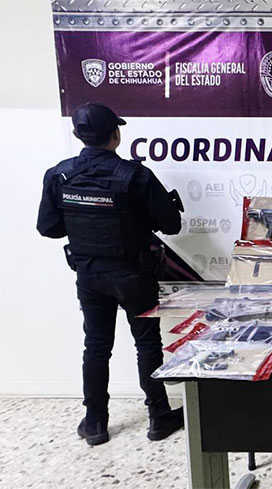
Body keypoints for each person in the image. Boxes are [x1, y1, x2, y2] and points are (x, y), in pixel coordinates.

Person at [37, 102, 185, 446]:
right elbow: (171, 225)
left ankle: (95, 423)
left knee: (96, 345)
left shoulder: (59, 175)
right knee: (147, 343)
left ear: (78, 135)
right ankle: (159, 417)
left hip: (89, 274)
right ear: (115, 135)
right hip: (133, 274)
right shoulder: (135, 175)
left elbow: (48, 227)